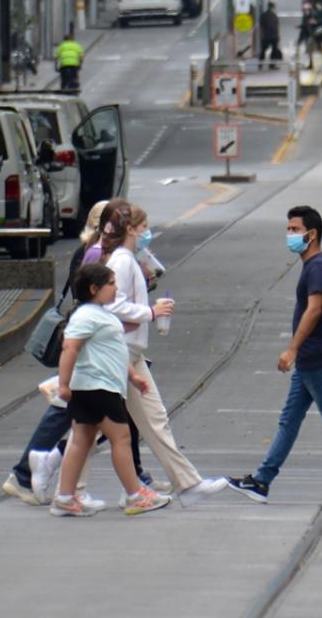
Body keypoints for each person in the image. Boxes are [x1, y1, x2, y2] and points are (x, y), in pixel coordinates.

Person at [227, 206, 322, 508]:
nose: (290, 235)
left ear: (312, 234)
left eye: (295, 229)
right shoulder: (318, 266)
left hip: (316, 357)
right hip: (315, 358)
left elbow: (316, 310)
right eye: (288, 229)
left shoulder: (317, 267)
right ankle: (261, 481)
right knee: (289, 421)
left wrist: (293, 348)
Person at [99, 201, 229, 507]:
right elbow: (112, 304)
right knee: (90, 428)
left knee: (154, 418)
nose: (148, 232)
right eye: (144, 227)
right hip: (120, 352)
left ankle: (187, 483)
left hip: (131, 353)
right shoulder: (122, 261)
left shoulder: (129, 259)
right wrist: (151, 312)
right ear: (131, 229)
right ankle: (51, 473)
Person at [51, 263, 172, 517]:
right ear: (94, 288)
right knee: (122, 438)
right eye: (111, 283)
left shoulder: (101, 314)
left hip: (93, 387)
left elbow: (114, 349)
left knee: (82, 440)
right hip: (99, 387)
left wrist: (133, 376)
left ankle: (65, 497)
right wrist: (63, 383)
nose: (116, 288)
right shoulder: (86, 316)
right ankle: (135, 494)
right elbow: (70, 347)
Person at [259, 2, 282, 70]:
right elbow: (261, 26)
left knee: (271, 50)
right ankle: (263, 64)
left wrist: (278, 35)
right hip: (269, 35)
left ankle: (266, 64)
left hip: (271, 35)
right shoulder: (270, 15)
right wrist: (262, 34)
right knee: (266, 50)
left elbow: (277, 26)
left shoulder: (271, 15)